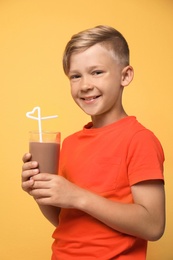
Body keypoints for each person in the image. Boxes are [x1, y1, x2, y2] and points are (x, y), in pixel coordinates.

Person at [21, 25, 165, 259]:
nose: (85, 84)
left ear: (125, 75)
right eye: (75, 76)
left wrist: (77, 196)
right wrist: (41, 191)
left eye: (97, 72)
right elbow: (65, 220)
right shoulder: (69, 143)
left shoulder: (139, 140)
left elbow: (153, 226)